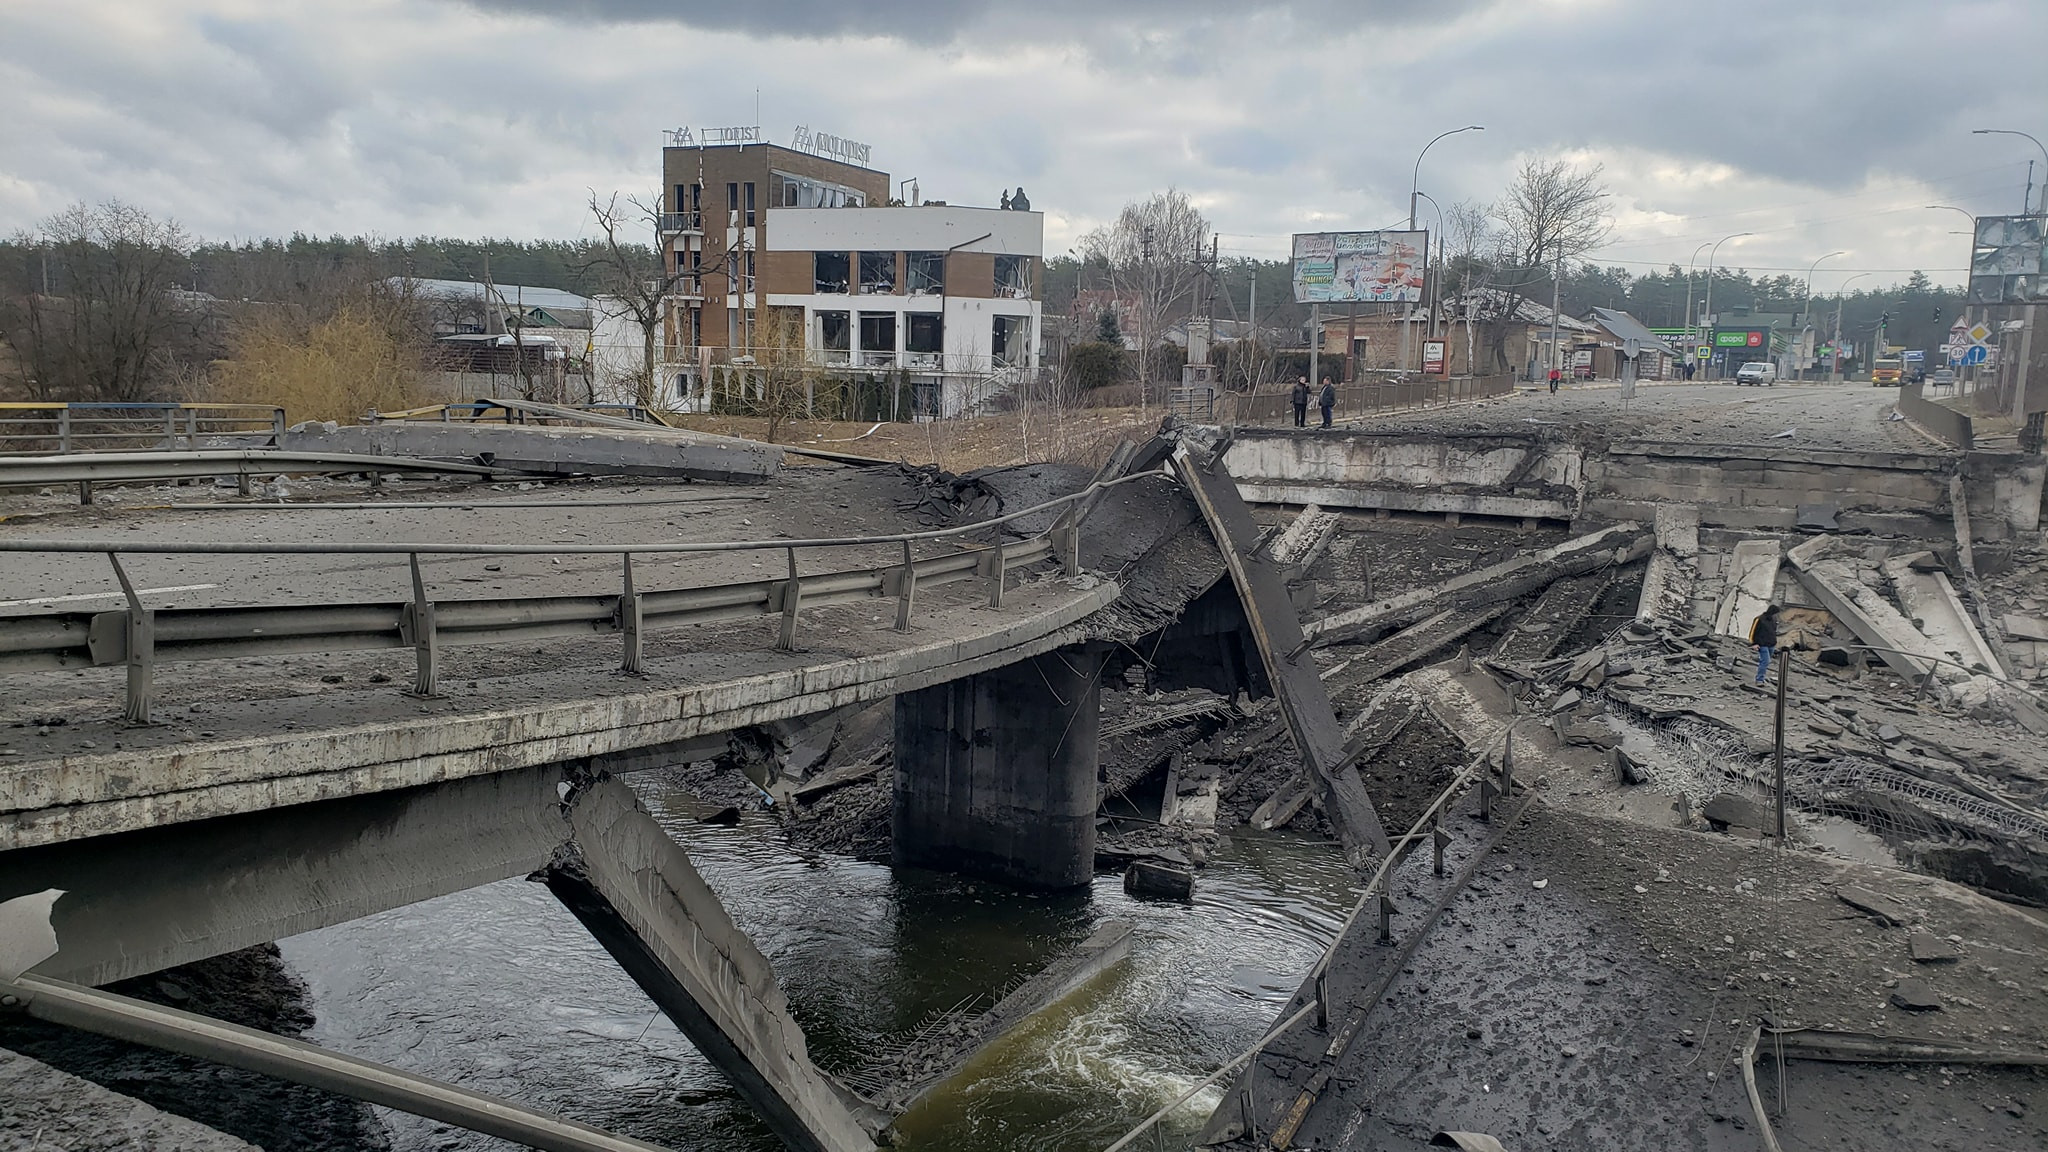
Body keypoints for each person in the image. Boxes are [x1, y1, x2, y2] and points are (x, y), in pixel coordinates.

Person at [1749, 603, 1782, 684]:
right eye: (1776, 613)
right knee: (1765, 661)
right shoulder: (1759, 619)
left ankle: (1762, 677)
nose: (1777, 615)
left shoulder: (1774, 620)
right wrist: (1754, 643)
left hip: (1771, 644)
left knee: (1766, 661)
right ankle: (1759, 680)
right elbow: (1753, 632)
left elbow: (1773, 631)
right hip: (1762, 644)